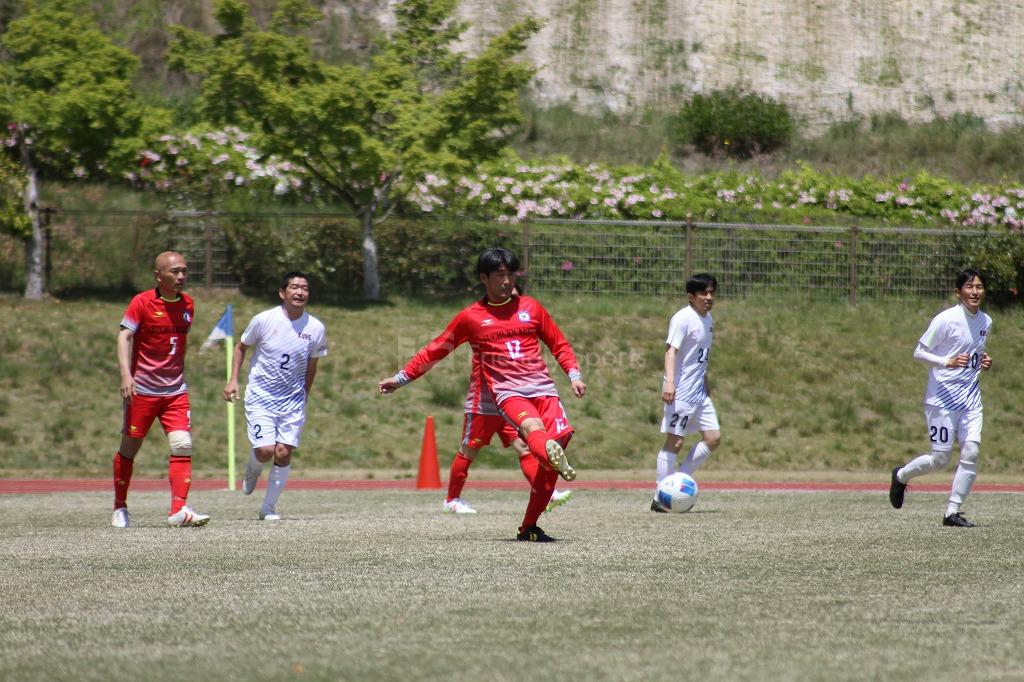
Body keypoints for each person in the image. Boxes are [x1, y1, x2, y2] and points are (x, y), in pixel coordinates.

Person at [379, 247, 585, 542]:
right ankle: (459, 496)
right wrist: (400, 378)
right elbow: (435, 350)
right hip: (508, 393)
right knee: (532, 429)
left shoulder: (532, 308)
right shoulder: (471, 317)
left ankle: (529, 527)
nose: (507, 281)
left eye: (511, 274)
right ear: (483, 278)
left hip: (544, 389)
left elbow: (559, 344)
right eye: (500, 275)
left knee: (549, 458)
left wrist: (574, 375)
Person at [111, 251, 210, 528]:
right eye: (174, 272)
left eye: (184, 271)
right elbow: (124, 336)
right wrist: (126, 375)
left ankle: (179, 510)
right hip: (142, 391)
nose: (181, 276)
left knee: (182, 445)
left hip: (175, 391)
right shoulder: (142, 302)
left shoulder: (188, 304)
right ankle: (120, 506)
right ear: (158, 276)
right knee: (129, 448)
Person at [889, 269, 993, 527]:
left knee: (971, 451)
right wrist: (947, 361)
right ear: (958, 292)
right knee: (940, 459)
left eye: (979, 287)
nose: (975, 291)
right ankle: (901, 476)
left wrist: (983, 361)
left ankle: (952, 512)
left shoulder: (986, 321)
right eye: (969, 286)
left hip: (970, 399)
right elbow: (919, 352)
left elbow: (973, 353)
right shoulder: (946, 319)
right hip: (942, 399)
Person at [223, 272, 327, 521]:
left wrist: (304, 395)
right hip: (261, 396)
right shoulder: (264, 320)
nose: (300, 292)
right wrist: (233, 380)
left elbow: (312, 366)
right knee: (265, 450)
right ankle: (253, 468)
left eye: (304, 288)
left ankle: (268, 508)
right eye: (294, 287)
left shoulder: (316, 328)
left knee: (283, 452)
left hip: (292, 400)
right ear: (282, 293)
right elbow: (241, 347)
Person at [442, 352, 573, 515]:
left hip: (508, 403)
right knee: (468, 450)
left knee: (523, 447)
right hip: (483, 407)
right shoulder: (486, 341)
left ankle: (547, 494)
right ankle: (451, 501)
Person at [652, 273, 721, 512]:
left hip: (699, 392)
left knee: (713, 438)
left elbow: (699, 356)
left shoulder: (708, 318)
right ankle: (661, 496)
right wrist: (669, 383)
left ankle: (677, 482)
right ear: (691, 296)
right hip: (681, 391)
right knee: (675, 441)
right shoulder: (682, 318)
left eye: (711, 292)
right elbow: (670, 351)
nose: (708, 297)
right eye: (703, 293)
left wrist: (705, 381)